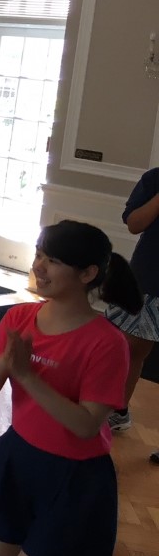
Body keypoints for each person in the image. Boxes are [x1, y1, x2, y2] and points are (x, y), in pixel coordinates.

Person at [0, 220, 141, 556]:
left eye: (54, 260)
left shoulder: (107, 342)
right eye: (39, 254)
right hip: (17, 461)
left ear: (87, 274)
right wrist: (8, 363)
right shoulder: (20, 318)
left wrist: (28, 375)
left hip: (73, 480)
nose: (39, 266)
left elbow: (86, 425)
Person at [103, 165, 159, 433]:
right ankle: (116, 408)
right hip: (148, 278)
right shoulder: (154, 179)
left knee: (136, 349)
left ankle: (118, 410)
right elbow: (134, 224)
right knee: (125, 346)